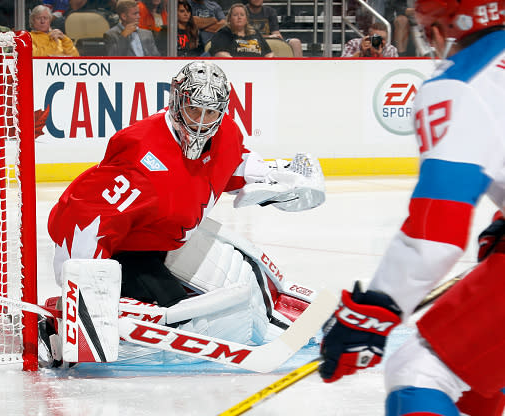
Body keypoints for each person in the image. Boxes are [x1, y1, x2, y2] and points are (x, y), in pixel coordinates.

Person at [40, 61, 326, 368]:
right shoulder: (140, 151)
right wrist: (86, 290)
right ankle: (54, 322)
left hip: (170, 240)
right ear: (177, 102)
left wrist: (280, 179)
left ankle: (286, 313)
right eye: (194, 110)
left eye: (212, 113)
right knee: (192, 327)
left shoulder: (226, 132)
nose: (202, 122)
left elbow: (234, 163)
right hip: (125, 254)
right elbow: (87, 218)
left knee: (246, 273)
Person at [319, 0, 505, 413]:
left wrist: (373, 312)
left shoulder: (463, 83)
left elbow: (435, 234)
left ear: (438, 31)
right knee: (481, 368)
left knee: (419, 373)